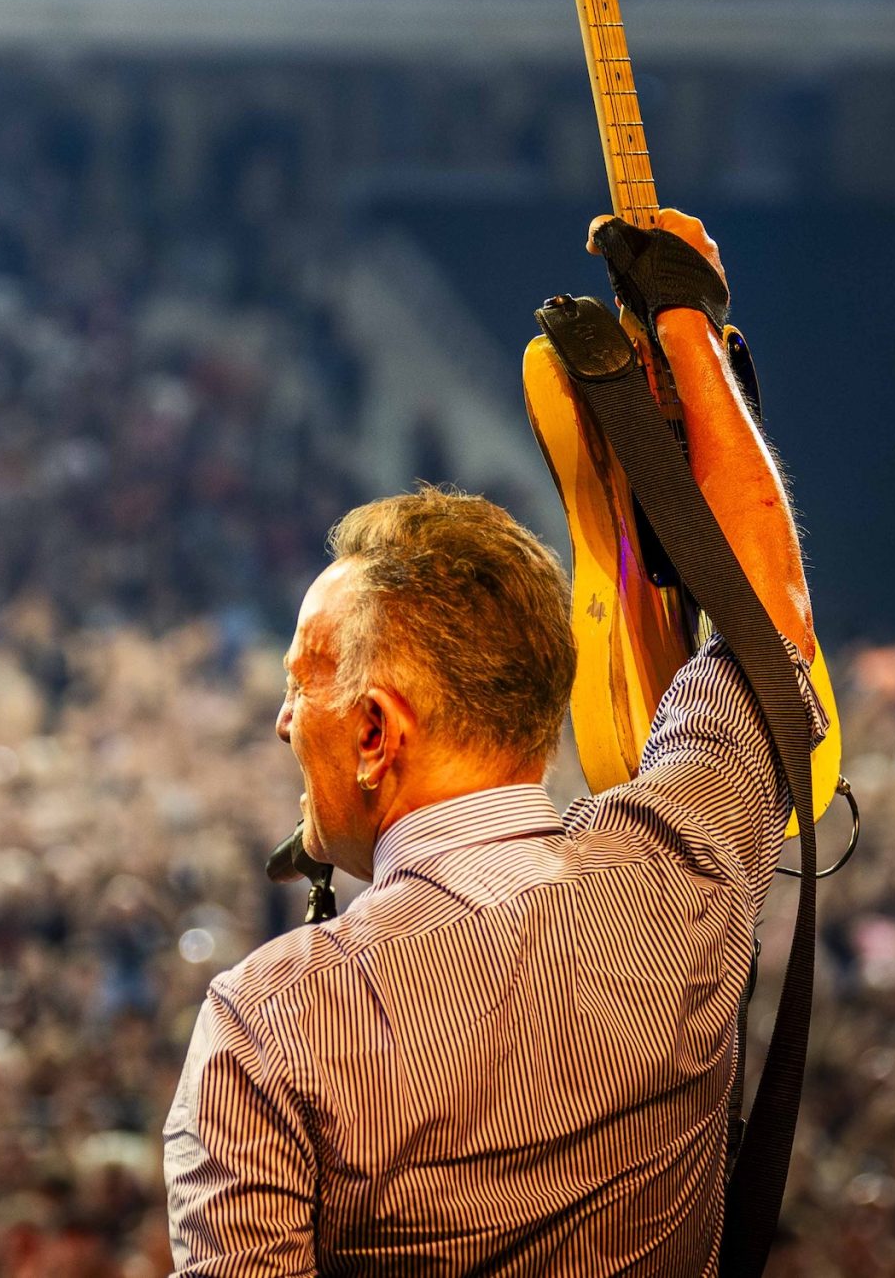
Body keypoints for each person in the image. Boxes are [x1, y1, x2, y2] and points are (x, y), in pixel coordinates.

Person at [164, 208, 824, 1274]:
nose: (285, 721)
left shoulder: (269, 1026)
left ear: (378, 732)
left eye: (302, 685)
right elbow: (770, 620)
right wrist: (692, 327)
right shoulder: (678, 876)